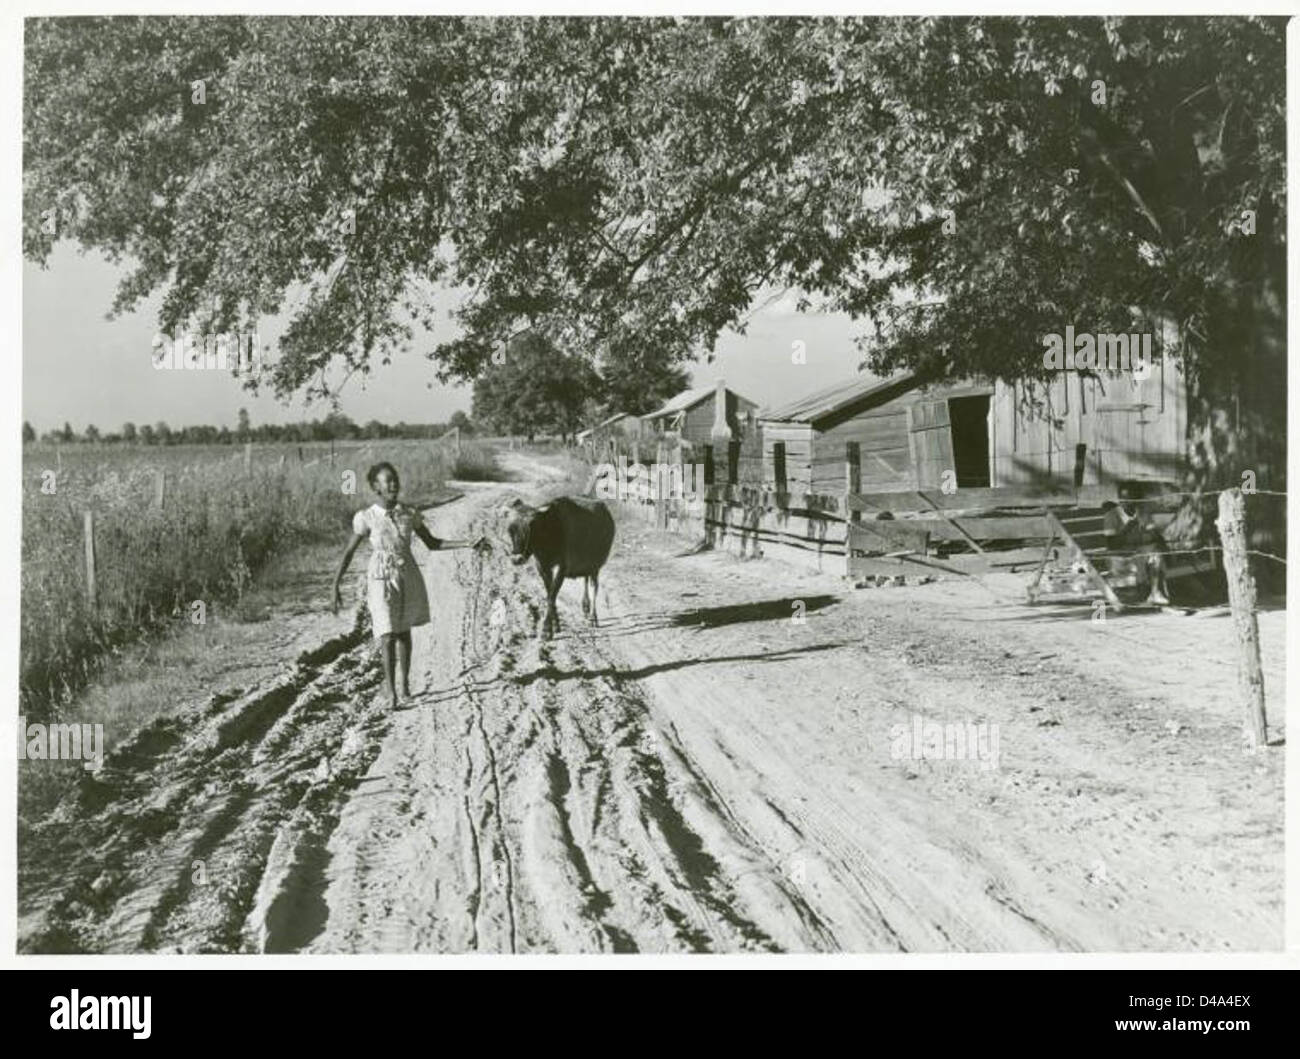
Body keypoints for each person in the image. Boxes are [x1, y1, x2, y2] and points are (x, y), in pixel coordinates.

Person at [333, 462, 487, 706]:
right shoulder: (367, 517)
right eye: (387, 481)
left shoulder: (409, 514)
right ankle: (391, 691)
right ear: (376, 487)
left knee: (404, 631)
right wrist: (335, 585)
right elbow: (349, 552)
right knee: (386, 633)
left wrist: (468, 543)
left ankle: (404, 686)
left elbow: (433, 543)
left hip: (408, 575)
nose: (394, 484)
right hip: (380, 578)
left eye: (395, 479)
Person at [1100, 496, 1171, 606]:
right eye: (1124, 500)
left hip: (1139, 551)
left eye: (1133, 499)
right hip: (1120, 554)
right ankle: (1151, 592)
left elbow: (1154, 535)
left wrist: (1149, 534)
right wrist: (1128, 528)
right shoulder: (1112, 515)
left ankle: (1155, 592)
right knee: (1147, 556)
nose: (1129, 503)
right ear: (1120, 501)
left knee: (1154, 552)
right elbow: (1111, 545)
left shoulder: (1141, 513)